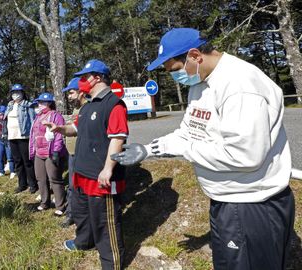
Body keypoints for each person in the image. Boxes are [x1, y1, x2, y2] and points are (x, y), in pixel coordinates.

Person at [112, 28, 294, 270]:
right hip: (227, 201)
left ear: (195, 55)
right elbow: (189, 131)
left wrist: (186, 149)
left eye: (175, 70)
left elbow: (246, 155)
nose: (175, 77)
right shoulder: (201, 82)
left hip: (252, 205)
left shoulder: (239, 85)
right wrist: (149, 150)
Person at [45, 60, 128, 270]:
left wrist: (108, 169)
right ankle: (83, 241)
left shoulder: (114, 104)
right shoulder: (87, 105)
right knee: (83, 214)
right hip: (81, 173)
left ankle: (111, 263)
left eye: (85, 76)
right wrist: (58, 128)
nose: (81, 81)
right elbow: (75, 129)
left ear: (97, 78)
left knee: (105, 222)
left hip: (100, 176)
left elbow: (117, 138)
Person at [29, 92, 68, 216]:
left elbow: (59, 134)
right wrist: (32, 150)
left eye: (42, 102)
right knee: (40, 178)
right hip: (39, 152)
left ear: (49, 103)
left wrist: (56, 150)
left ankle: (60, 206)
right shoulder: (38, 117)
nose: (39, 105)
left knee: (55, 179)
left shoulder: (56, 116)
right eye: (38, 102)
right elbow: (33, 135)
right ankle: (44, 202)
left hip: (50, 152)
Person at [59, 77, 87, 227]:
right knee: (72, 185)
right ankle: (71, 214)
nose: (69, 97)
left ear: (81, 91)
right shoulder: (76, 108)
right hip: (72, 153)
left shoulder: (87, 108)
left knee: (80, 186)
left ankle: (80, 215)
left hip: (82, 154)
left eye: (71, 93)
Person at [4, 83, 38, 194]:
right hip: (12, 136)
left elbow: (33, 120)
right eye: (14, 93)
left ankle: (33, 184)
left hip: (24, 136)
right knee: (17, 161)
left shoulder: (28, 105)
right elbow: (5, 119)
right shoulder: (9, 105)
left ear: (23, 93)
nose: (16, 95)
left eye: (18, 92)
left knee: (27, 161)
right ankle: (22, 184)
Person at [0, 105, 16, 179]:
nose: (1, 116)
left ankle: (12, 171)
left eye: (2, 114)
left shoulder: (9, 119)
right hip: (0, 140)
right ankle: (1, 172)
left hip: (8, 139)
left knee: (10, 157)